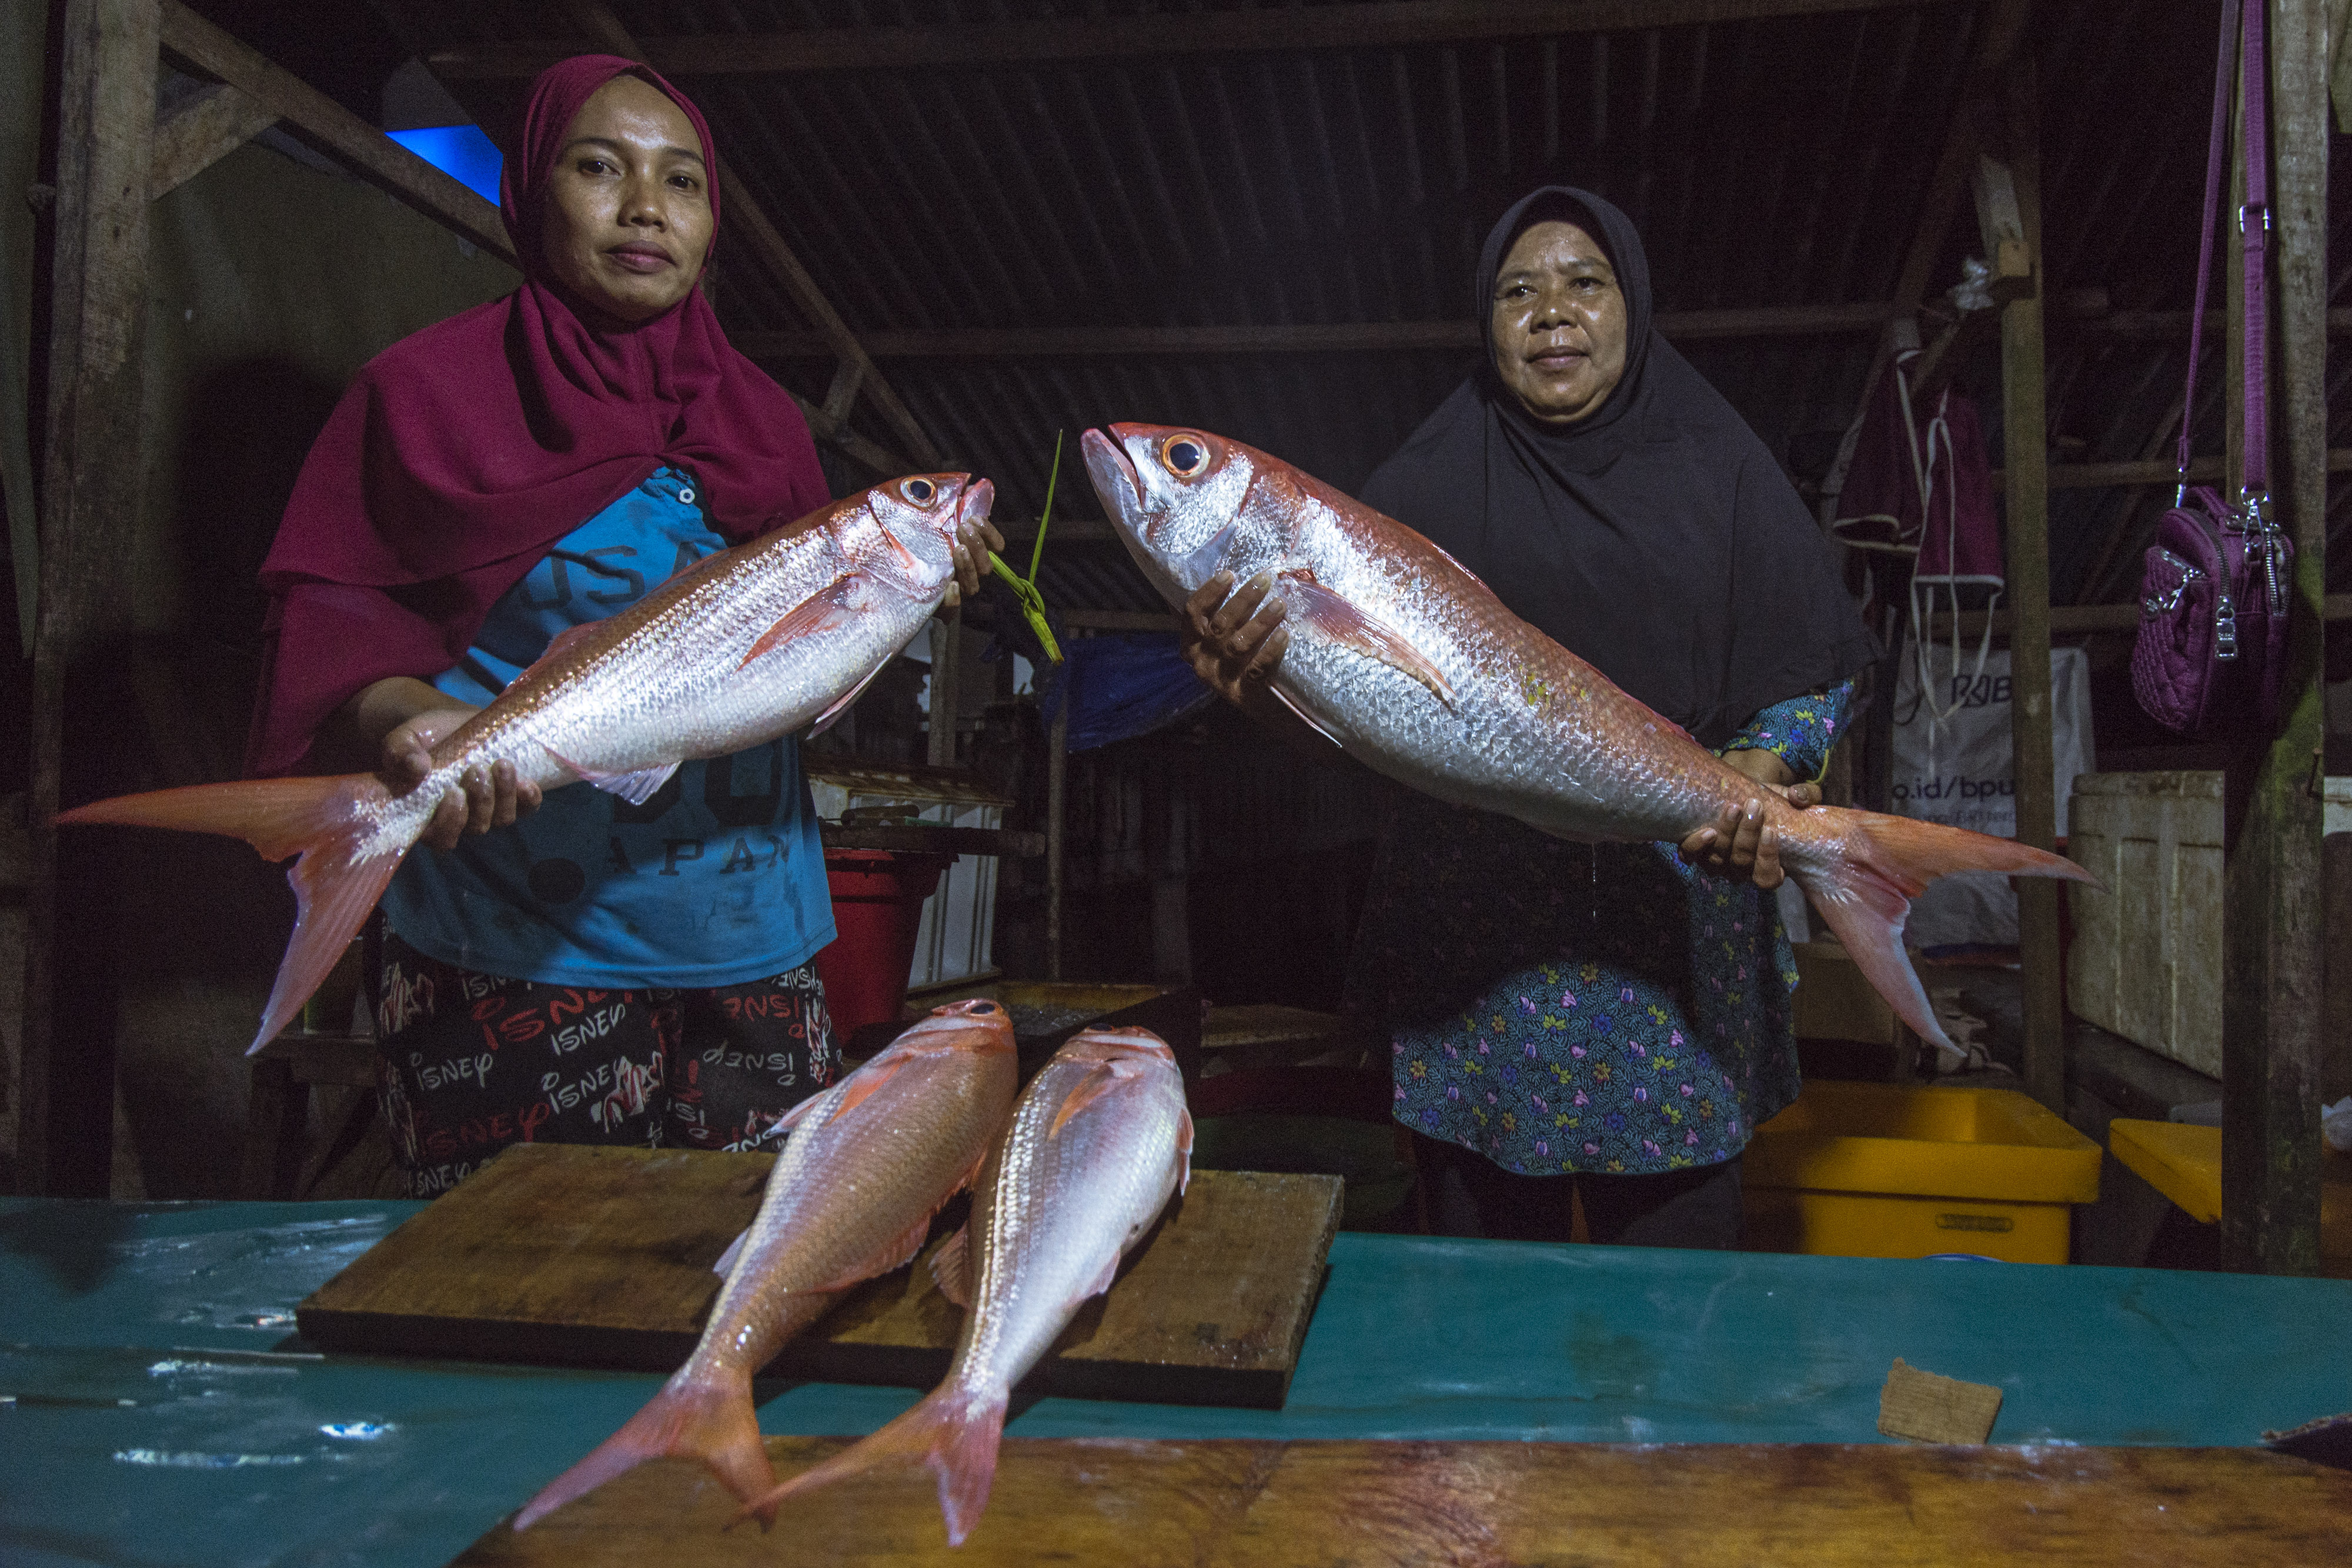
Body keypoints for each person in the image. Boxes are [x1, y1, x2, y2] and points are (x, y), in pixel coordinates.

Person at [246, 56, 999, 1195]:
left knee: (744, 1282)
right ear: (531, 193)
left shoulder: (761, 423)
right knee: (512, 1304)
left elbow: (806, 667)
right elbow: (334, 608)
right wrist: (408, 719)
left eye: (682, 182)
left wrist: (913, 590)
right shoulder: (425, 393)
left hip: (757, 945)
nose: (646, 207)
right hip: (510, 948)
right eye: (599, 168)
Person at [1182, 186, 1873, 1247]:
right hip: (1480, 970)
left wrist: (1760, 772)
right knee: (1485, 1299)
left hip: (1672, 946)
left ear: (1633, 307)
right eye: (1519, 291)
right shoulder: (1411, 497)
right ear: (1487, 324)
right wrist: (1265, 688)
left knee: (1677, 1305)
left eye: (1585, 284)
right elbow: (1361, 741)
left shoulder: (1721, 469)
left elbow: (1812, 665)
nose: (1553, 312)